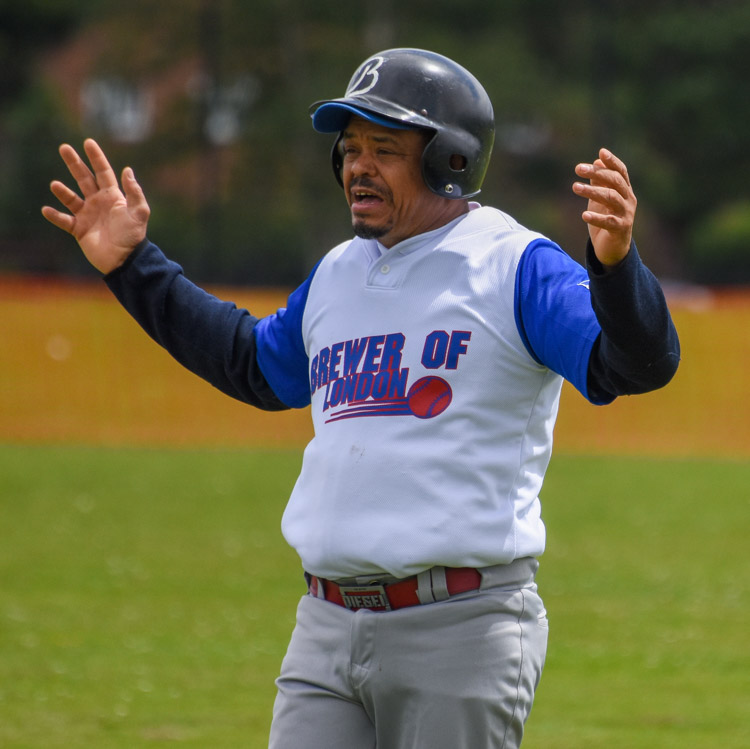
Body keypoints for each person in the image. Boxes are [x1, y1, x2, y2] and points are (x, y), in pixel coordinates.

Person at [42, 48, 680, 749]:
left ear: (451, 160)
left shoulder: (513, 265)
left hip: (460, 628)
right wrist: (133, 266)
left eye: (385, 149)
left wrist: (616, 267)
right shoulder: (338, 274)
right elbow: (252, 364)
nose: (357, 167)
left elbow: (635, 364)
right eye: (349, 149)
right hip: (326, 625)